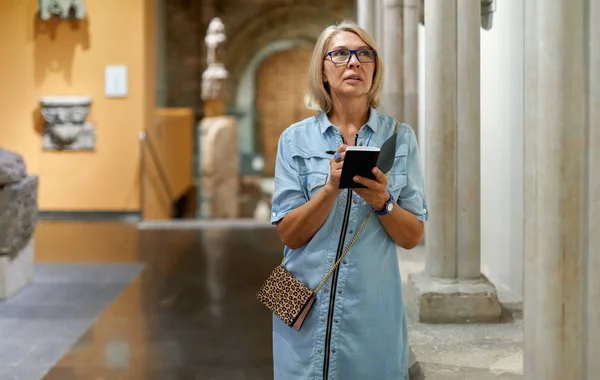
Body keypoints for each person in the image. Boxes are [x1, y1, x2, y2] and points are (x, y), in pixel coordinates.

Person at [269, 20, 428, 380]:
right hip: (301, 308)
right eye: (340, 54)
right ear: (323, 71)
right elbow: (289, 235)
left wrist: (383, 201)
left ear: (374, 70)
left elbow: (411, 236)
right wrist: (329, 190)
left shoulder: (400, 139)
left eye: (364, 55)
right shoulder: (294, 140)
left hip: (370, 316)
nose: (354, 62)